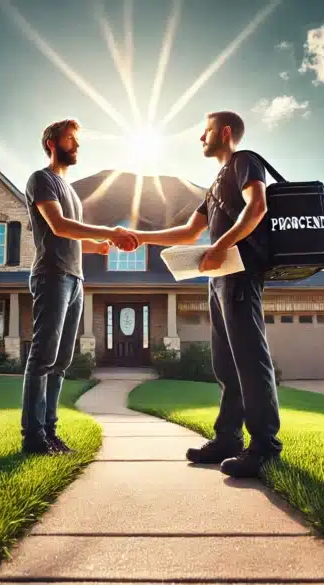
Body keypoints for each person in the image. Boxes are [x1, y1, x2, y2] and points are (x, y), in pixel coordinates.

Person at [128, 111, 281, 478]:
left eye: (207, 130)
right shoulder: (214, 185)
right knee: (226, 364)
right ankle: (228, 439)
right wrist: (141, 238)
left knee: (249, 359)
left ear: (225, 133)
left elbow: (257, 206)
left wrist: (221, 246)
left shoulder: (245, 162)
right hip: (219, 276)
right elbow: (187, 232)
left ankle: (265, 447)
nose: (201, 137)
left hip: (240, 271)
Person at [21, 118, 139, 455]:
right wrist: (107, 231)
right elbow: (57, 227)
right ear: (52, 143)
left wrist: (98, 246)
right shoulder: (41, 180)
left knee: (60, 362)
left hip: (75, 279)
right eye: (70, 139)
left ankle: (50, 433)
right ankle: (33, 437)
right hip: (51, 275)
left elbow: (72, 239)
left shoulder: (70, 190)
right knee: (42, 357)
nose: (76, 146)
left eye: (77, 141)